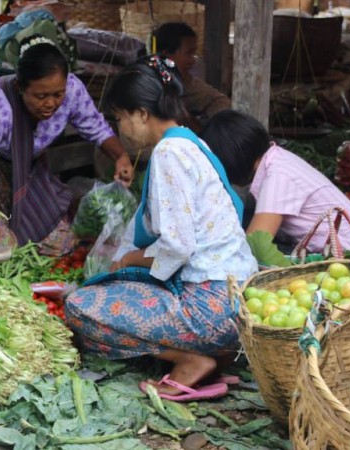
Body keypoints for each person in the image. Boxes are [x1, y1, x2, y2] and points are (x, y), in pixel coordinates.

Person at [64, 55, 257, 401]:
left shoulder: (169, 153)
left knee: (80, 306)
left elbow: (177, 247)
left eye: (120, 117)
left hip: (209, 309)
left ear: (141, 113)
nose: (121, 128)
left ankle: (190, 358)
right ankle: (215, 354)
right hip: (239, 303)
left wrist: (128, 260)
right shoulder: (192, 143)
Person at [0, 35, 134, 255]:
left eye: (57, 95)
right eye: (40, 96)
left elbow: (97, 128)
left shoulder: (72, 89)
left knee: (61, 244)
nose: (51, 103)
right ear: (20, 87)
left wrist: (121, 156)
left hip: (26, 165)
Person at [200, 109, 350, 253]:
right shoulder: (277, 160)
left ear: (229, 160)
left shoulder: (278, 175)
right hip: (343, 255)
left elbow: (255, 245)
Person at [155, 22, 231, 129]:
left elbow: (219, 101)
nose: (193, 60)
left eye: (194, 53)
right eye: (188, 53)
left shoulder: (187, 82)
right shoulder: (148, 85)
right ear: (166, 56)